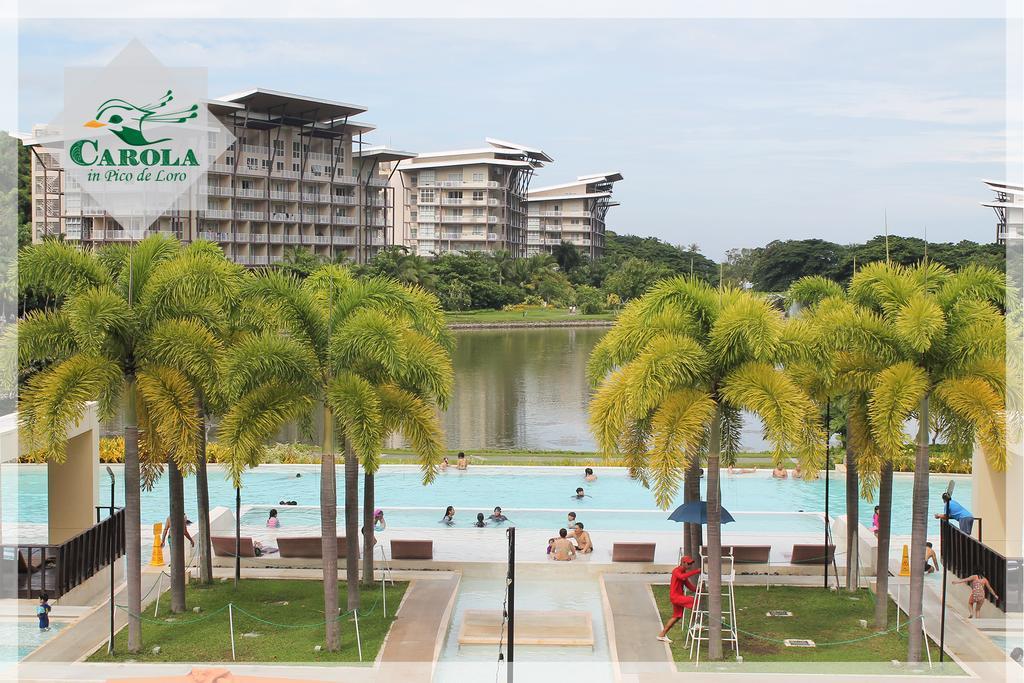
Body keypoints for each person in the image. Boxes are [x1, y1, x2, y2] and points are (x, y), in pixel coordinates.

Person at [657, 555, 700, 642]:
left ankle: (662, 635)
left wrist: (700, 590)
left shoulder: (683, 573)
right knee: (694, 601)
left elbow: (689, 586)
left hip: (677, 597)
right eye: (689, 563)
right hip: (676, 597)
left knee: (677, 616)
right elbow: (681, 577)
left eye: (691, 563)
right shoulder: (676, 571)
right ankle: (695, 624)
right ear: (683, 563)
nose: (690, 565)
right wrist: (696, 571)